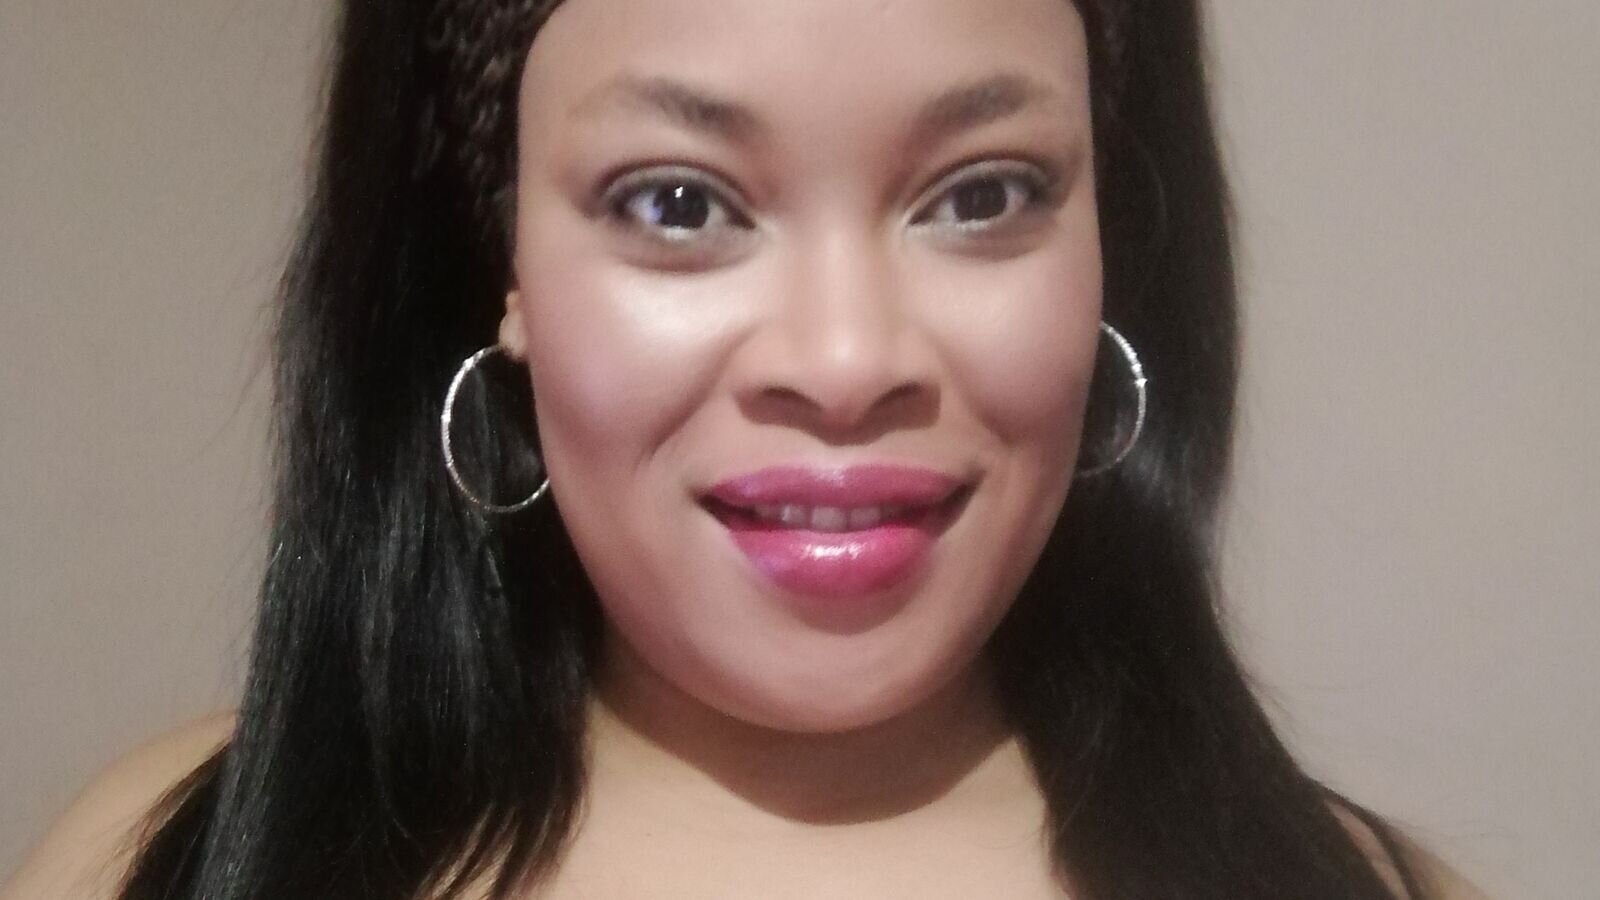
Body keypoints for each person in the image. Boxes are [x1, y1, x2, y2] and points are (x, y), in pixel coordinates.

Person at [4, 0, 1492, 897]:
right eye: (678, 203)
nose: (844, 364)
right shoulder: (168, 859)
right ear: (499, 263)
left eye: (982, 195)